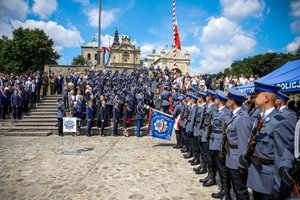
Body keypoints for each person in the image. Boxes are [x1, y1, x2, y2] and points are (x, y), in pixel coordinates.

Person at [240, 82, 296, 200]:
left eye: (256, 95)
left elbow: (283, 153)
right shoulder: (259, 119)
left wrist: (279, 185)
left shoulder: (280, 122)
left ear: (265, 98)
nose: (253, 99)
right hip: (256, 176)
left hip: (269, 182)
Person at [225, 88, 251, 200]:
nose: (226, 101)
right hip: (231, 156)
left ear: (232, 101)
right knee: (236, 188)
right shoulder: (234, 115)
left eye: (228, 99)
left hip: (237, 160)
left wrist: (242, 164)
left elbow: (244, 142)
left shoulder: (242, 117)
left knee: (240, 190)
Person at [209, 90, 232, 199]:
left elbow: (226, 130)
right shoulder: (219, 112)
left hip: (220, 145)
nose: (214, 100)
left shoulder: (226, 113)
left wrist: (223, 146)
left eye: (216, 99)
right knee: (220, 168)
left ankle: (226, 193)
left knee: (223, 170)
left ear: (219, 100)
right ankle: (223, 190)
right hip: (215, 142)